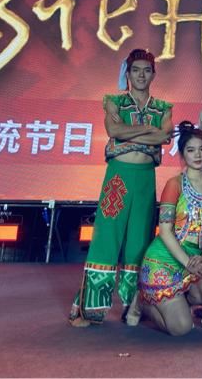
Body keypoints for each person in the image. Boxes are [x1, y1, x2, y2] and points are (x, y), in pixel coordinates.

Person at [69, 49, 173, 327]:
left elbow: (165, 135)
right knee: (107, 237)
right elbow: (114, 131)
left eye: (147, 70)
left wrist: (132, 132)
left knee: (139, 242)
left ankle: (132, 307)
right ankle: (90, 310)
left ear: (153, 74)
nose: (141, 75)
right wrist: (148, 132)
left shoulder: (163, 107)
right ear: (128, 73)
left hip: (145, 178)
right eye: (136, 70)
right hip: (118, 176)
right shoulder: (114, 101)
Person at [134, 123, 202, 335]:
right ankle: (142, 303)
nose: (197, 155)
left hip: (194, 258)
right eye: (191, 150)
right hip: (165, 258)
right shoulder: (175, 184)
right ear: (182, 154)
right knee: (181, 328)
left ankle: (178, 301)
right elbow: (165, 231)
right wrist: (187, 263)